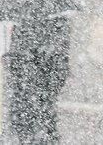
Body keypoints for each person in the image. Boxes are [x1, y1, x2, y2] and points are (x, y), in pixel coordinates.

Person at [4, 16, 71, 144]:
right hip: (32, 101)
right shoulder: (57, 26)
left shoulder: (24, 25)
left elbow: (15, 72)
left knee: (34, 129)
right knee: (36, 129)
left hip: (32, 100)